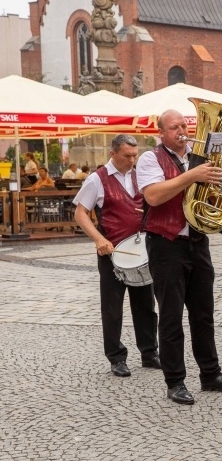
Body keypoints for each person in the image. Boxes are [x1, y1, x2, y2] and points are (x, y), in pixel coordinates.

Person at [137, 109, 222, 405]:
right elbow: (154, 196)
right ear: (162, 133)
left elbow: (215, 192)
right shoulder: (150, 159)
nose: (182, 131)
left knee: (204, 313)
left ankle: (210, 374)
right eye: (174, 128)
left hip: (197, 240)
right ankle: (175, 381)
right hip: (166, 244)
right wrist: (192, 175)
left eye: (184, 125)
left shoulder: (200, 155)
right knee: (171, 315)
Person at [72, 134, 159, 377]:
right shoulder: (96, 179)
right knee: (112, 307)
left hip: (142, 250)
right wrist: (99, 239)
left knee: (146, 304)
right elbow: (80, 213)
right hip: (112, 252)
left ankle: (149, 352)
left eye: (135, 155)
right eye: (127, 156)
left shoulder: (140, 174)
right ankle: (116, 357)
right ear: (113, 154)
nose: (133, 160)